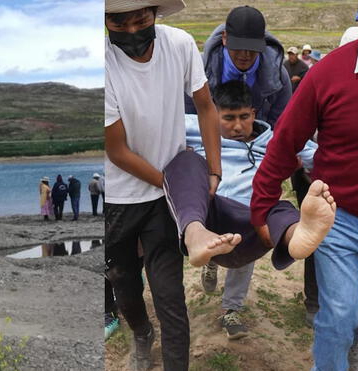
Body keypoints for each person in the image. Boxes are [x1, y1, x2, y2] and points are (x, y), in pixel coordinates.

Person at [250, 1, 358, 369]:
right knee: (337, 315)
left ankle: (351, 339)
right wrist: (261, 206)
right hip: (336, 219)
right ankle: (335, 349)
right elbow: (286, 141)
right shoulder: (326, 73)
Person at [105, 1, 233, 368]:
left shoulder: (178, 44)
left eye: (141, 18)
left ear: (156, 12)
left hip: (165, 195)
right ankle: (142, 332)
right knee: (123, 282)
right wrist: (178, 186)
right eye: (119, 20)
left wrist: (213, 170)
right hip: (120, 197)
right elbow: (117, 151)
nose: (131, 30)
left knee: (170, 295)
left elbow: (206, 107)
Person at [181, 80, 333, 339]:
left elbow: (318, 156)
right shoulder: (195, 129)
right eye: (228, 118)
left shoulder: (274, 139)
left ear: (254, 114)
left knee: (275, 212)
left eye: (243, 117)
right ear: (214, 113)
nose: (237, 126)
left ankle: (295, 236)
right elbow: (155, 129)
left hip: (253, 217)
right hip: (213, 212)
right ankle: (209, 258)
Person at [184, 5, 291, 128]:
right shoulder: (197, 69)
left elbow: (279, 127)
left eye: (252, 48)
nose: (245, 54)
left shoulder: (278, 77)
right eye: (238, 46)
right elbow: (189, 122)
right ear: (225, 38)